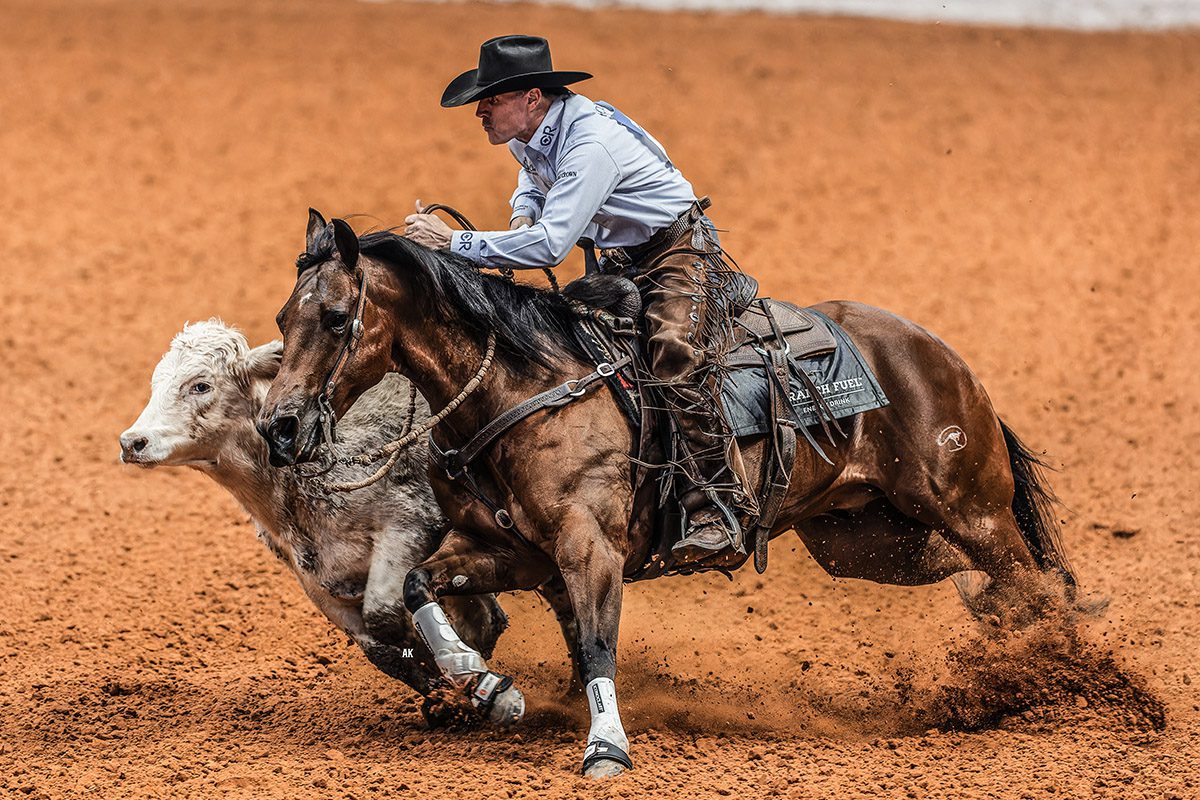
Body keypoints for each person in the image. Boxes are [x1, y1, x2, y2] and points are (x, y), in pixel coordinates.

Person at [403, 34, 754, 564]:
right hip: (624, 259)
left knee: (674, 353)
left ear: (531, 97)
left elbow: (550, 243)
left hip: (679, 254)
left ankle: (719, 504)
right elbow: (530, 177)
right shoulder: (533, 130)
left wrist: (451, 243)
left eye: (490, 99)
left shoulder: (589, 146)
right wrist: (521, 211)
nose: (480, 111)